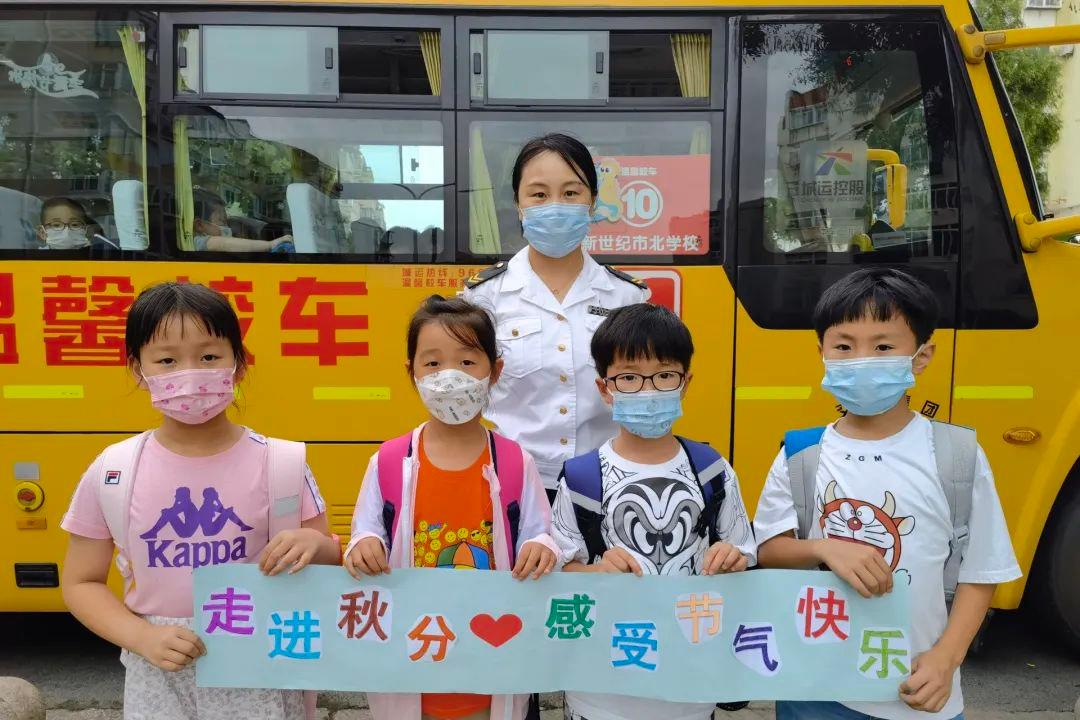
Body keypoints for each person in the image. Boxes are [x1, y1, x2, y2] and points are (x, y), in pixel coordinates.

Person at [60, 282, 340, 720]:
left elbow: (329, 559)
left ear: (239, 364)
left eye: (209, 357)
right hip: (160, 675)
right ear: (138, 369)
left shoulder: (282, 463)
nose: (190, 374)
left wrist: (315, 546)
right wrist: (141, 637)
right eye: (167, 360)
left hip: (260, 666)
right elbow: (81, 582)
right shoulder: (113, 470)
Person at [753, 268, 1021, 720]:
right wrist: (824, 547)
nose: (862, 360)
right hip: (815, 687)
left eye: (882, 347)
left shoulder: (956, 454)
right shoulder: (801, 453)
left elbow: (982, 569)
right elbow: (768, 550)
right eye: (844, 346)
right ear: (821, 353)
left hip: (919, 691)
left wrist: (946, 659)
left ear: (921, 355)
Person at [345, 294, 558, 720]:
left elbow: (541, 533)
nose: (450, 377)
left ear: (495, 371)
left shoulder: (515, 462)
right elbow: (364, 533)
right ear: (411, 372)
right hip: (414, 655)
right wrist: (365, 545)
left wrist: (543, 548)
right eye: (432, 363)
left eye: (466, 361)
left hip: (489, 660)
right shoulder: (389, 461)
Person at [552, 303, 757, 720]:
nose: (648, 390)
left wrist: (734, 559)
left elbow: (745, 553)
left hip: (691, 689)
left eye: (664, 375)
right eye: (629, 377)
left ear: (685, 382)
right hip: (600, 692)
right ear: (605, 388)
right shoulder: (580, 478)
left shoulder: (712, 470)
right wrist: (595, 572)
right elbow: (558, 572)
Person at [462, 133, 649, 499]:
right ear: (518, 205)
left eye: (571, 192)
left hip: (605, 483)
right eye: (539, 194)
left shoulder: (627, 296)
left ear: (592, 202)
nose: (555, 206)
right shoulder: (483, 297)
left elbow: (641, 392)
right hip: (511, 485)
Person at [194, 190, 293, 252]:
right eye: (221, 220)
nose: (227, 227)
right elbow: (223, 244)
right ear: (199, 225)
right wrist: (270, 245)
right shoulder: (197, 242)